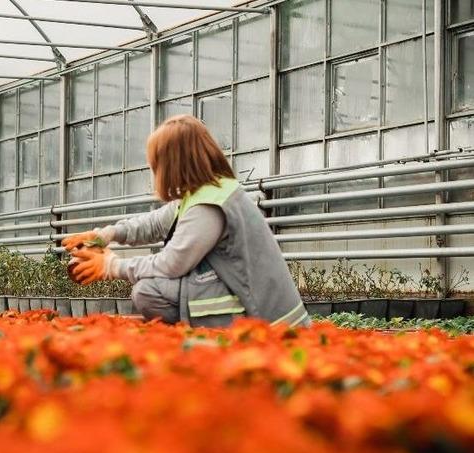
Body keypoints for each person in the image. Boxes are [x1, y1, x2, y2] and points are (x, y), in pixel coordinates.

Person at [62, 115, 308, 328]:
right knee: (150, 286)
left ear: (172, 163)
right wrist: (105, 235)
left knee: (147, 291)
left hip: (267, 318)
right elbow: (154, 224)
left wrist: (111, 267)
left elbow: (172, 264)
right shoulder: (209, 191)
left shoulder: (207, 207)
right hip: (256, 301)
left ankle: (221, 333)